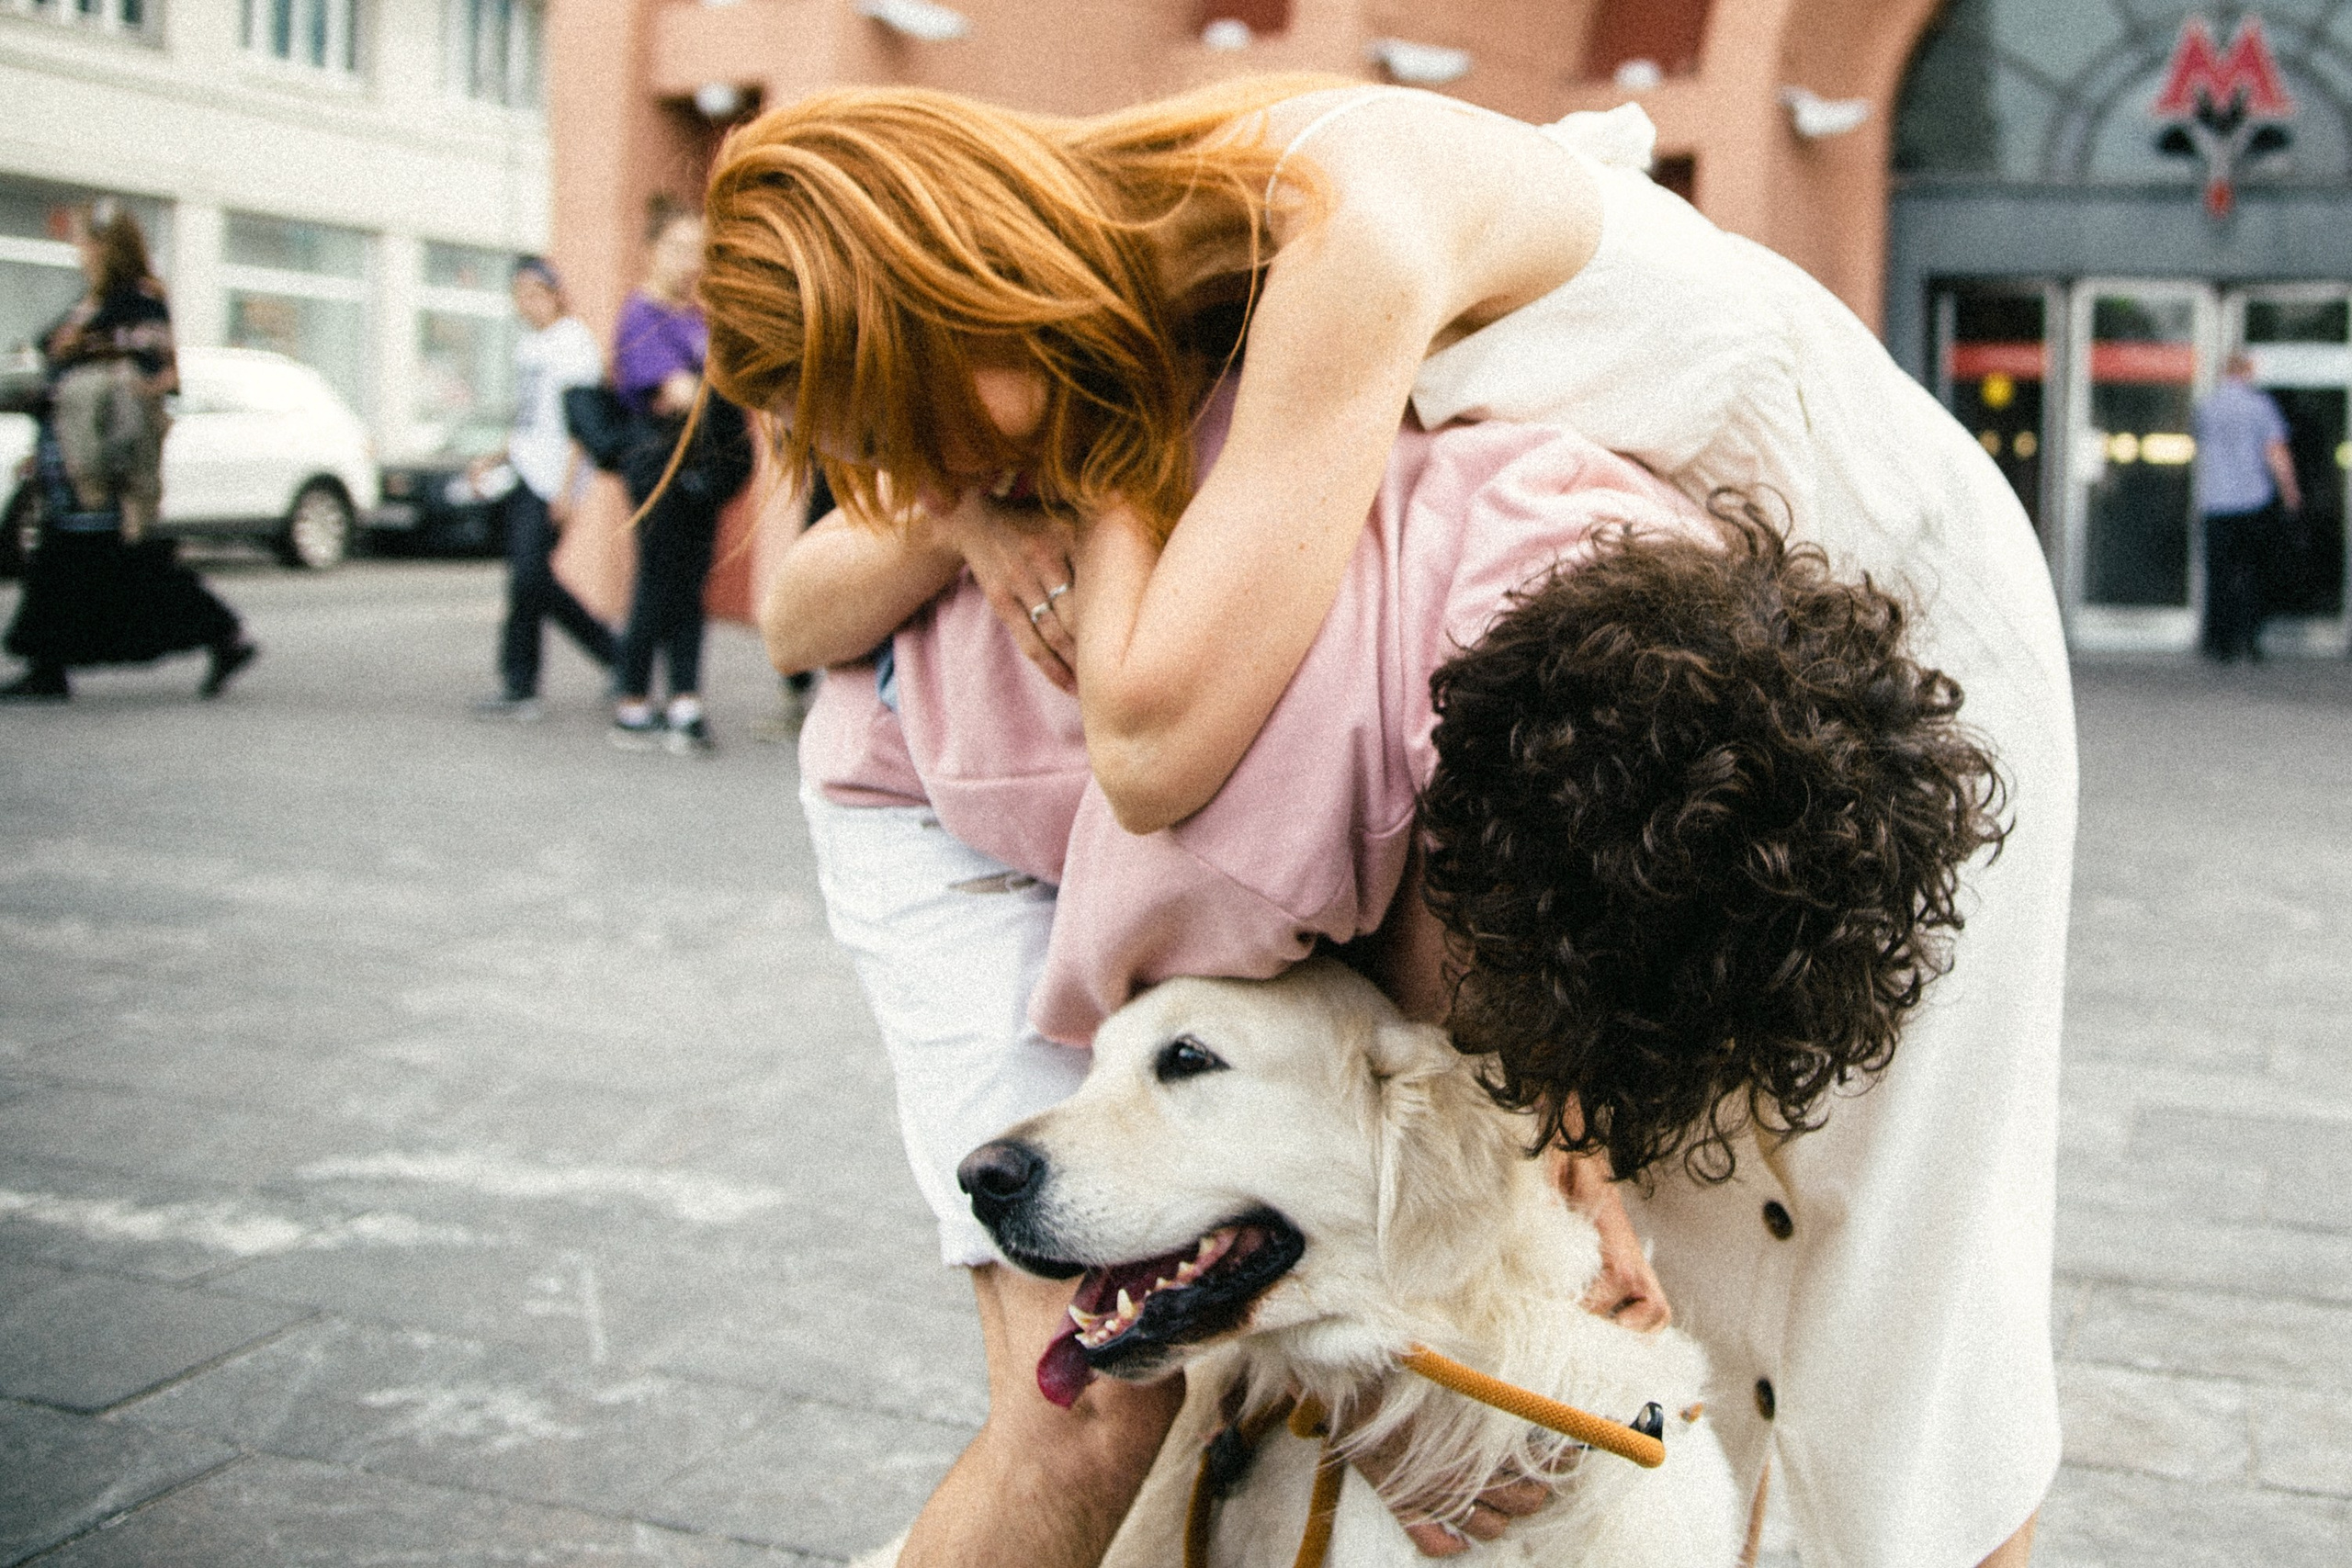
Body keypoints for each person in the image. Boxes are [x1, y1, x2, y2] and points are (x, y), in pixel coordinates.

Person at [702, 78, 2075, 1568]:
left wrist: (1093, 471)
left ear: (975, 291)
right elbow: (927, 650)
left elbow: (1162, 739)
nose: (947, 475)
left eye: (930, 430)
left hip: (1843, 627)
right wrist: (979, 512)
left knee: (1887, 1299)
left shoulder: (1328, 220)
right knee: (1660, 1262)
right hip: (1613, 679)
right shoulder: (1134, 312)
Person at [3, 202, 256, 704]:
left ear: (107, 246)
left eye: (84, 241)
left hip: (102, 459)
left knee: (102, 558)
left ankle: (218, 633)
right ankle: (50, 665)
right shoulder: (94, 300)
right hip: (67, 454)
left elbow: (155, 377)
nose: (78, 251)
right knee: (85, 558)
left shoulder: (137, 302)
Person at [607, 211, 751, 754]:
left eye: (698, 248)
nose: (689, 259)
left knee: (692, 580)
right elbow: (681, 393)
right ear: (652, 248)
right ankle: (633, 699)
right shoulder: (640, 315)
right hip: (656, 462)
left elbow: (718, 387)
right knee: (658, 577)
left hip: (702, 467)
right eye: (677, 246)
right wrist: (712, 389)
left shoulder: (696, 319)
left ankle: (685, 698)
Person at [470, 257, 616, 719]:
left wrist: (569, 491)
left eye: (535, 292)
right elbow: (530, 419)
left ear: (555, 293)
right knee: (529, 579)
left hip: (555, 479)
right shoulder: (530, 347)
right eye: (519, 294)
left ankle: (527, 683)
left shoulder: (573, 343)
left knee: (529, 577)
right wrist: (496, 456)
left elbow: (581, 423)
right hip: (526, 472)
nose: (526, 303)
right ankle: (611, 656)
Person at [2192, 351, 2301, 664]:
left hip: (2215, 502)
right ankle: (2249, 639)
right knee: (2252, 572)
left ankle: (2220, 642)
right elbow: (2276, 453)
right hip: (2253, 501)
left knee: (2220, 573)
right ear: (2248, 371)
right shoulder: (2260, 406)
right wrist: (2291, 493)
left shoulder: (2206, 406)